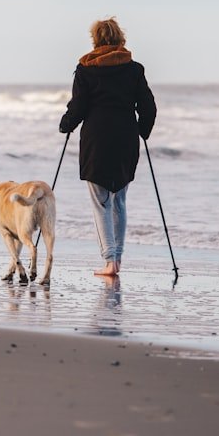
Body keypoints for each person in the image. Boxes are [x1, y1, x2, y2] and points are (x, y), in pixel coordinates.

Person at [59, 17, 156, 277]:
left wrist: (66, 124)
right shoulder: (134, 69)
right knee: (120, 201)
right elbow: (148, 107)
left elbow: (78, 107)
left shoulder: (86, 68)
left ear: (96, 39)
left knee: (101, 202)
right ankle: (118, 260)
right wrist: (143, 131)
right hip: (125, 137)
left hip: (96, 139)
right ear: (119, 38)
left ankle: (109, 261)